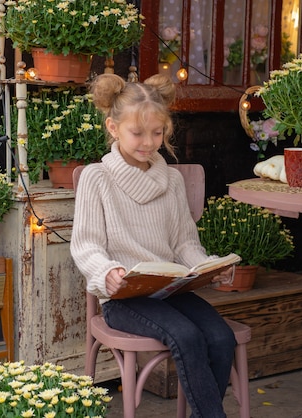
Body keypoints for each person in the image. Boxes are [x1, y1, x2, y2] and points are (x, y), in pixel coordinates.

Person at [70, 73, 236, 418]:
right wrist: (107, 272)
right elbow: (86, 244)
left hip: (170, 291)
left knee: (221, 338)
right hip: (124, 297)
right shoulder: (96, 178)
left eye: (157, 133)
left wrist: (208, 267)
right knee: (187, 337)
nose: (148, 142)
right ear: (113, 128)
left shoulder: (172, 180)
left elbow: (184, 243)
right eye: (138, 133)